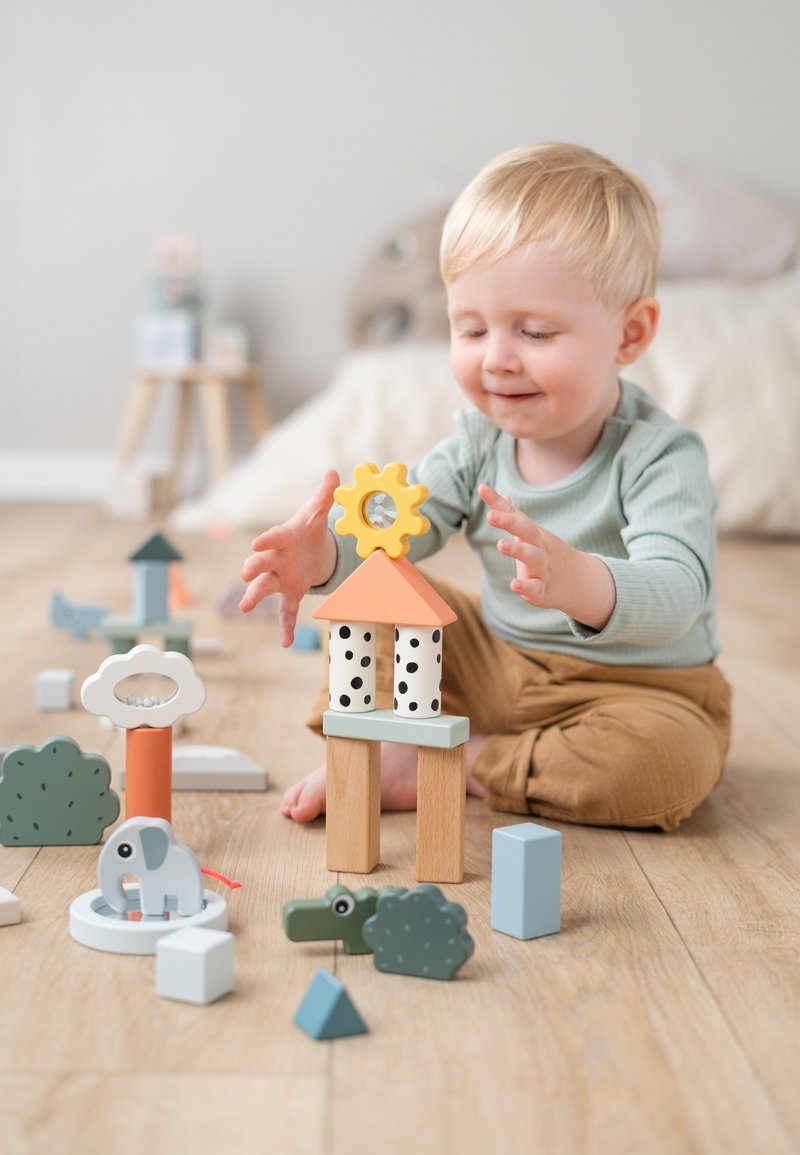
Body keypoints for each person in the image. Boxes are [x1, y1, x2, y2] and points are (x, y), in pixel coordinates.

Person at [240, 142, 732, 831]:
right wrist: (320, 558)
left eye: (534, 331)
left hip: (631, 691)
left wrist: (580, 580)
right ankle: (380, 746)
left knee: (661, 765)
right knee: (373, 599)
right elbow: (396, 537)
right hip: (495, 662)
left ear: (630, 333)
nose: (497, 358)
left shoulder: (658, 456)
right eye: (471, 328)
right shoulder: (476, 444)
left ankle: (462, 761)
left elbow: (680, 594)